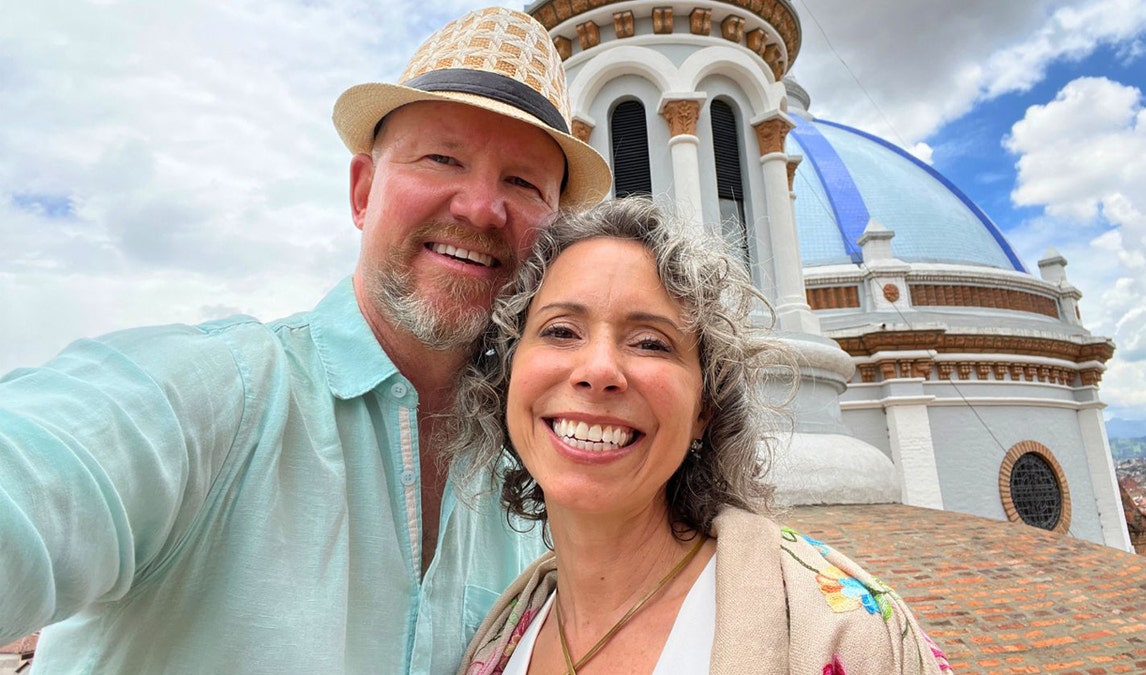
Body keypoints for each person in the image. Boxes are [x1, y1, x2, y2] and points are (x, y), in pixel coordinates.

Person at [0, 7, 610, 674]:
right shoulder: (215, 397)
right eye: (443, 158)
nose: (479, 207)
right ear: (362, 191)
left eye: (521, 182)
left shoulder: (530, 490)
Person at [447, 198, 953, 674]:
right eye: (560, 331)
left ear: (704, 408)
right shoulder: (502, 635)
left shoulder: (849, 634)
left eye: (651, 343)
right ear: (508, 377)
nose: (598, 370)